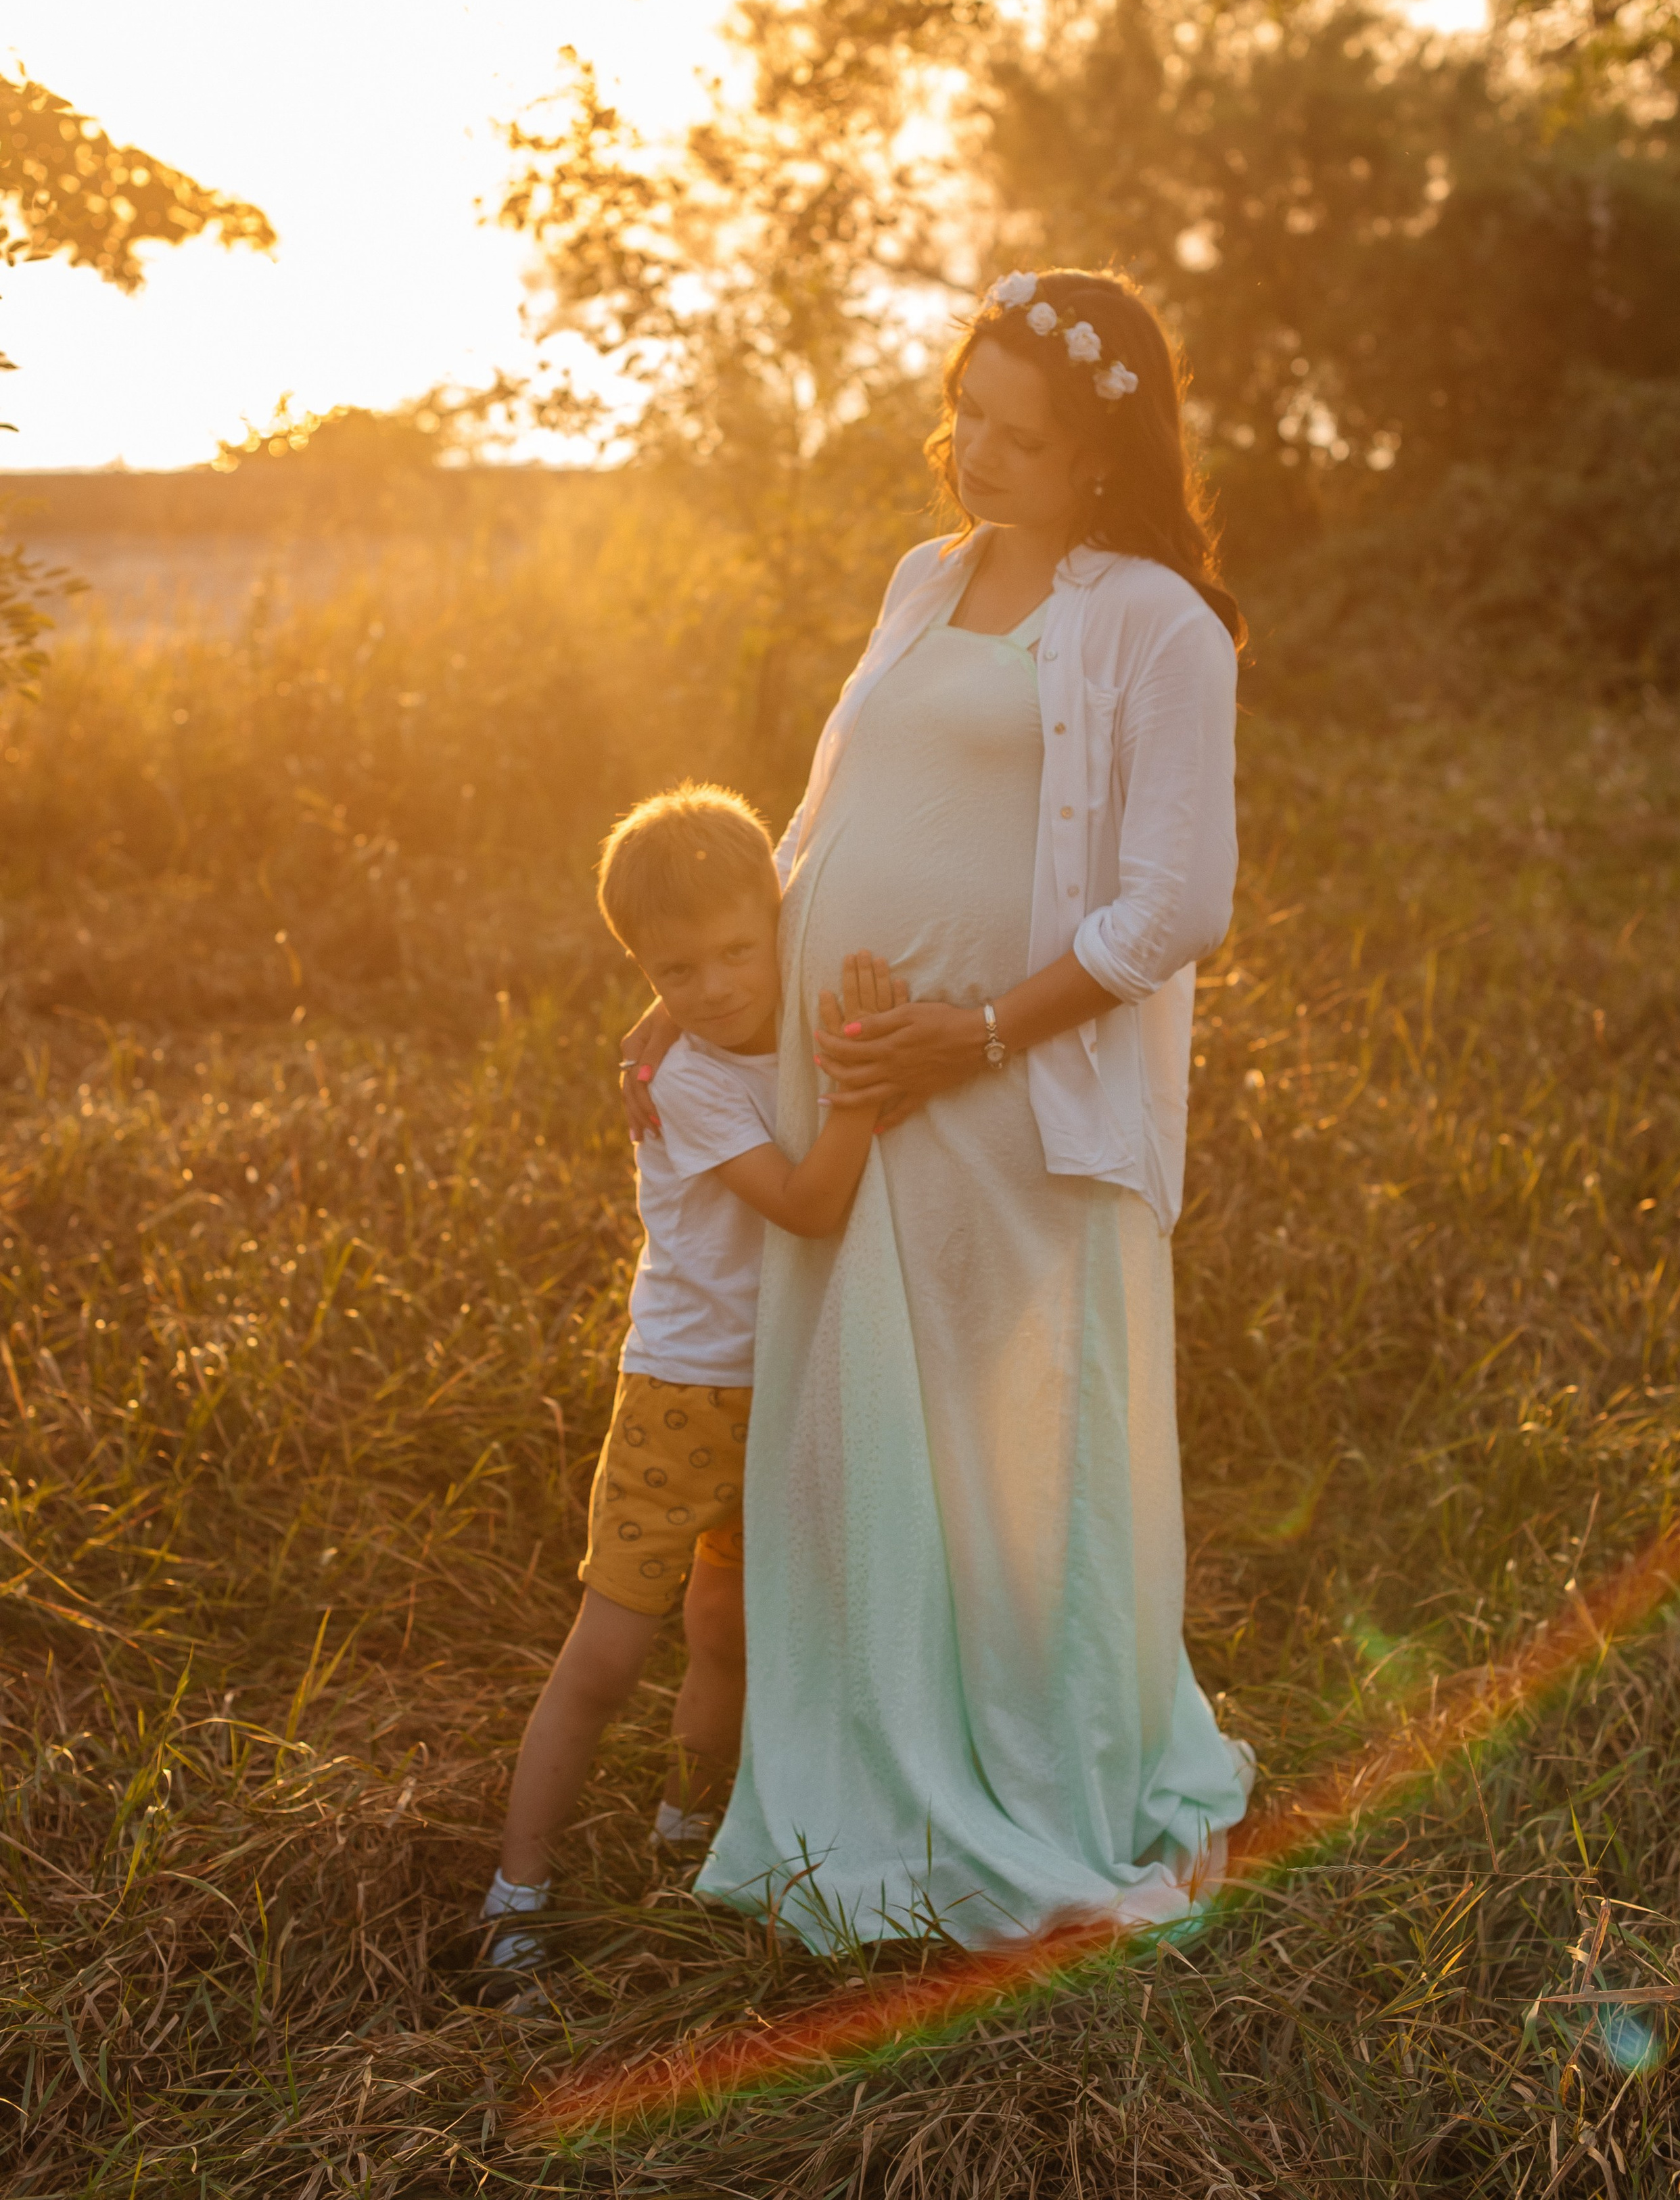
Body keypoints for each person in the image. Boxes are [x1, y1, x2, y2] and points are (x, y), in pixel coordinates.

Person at [626, 268, 1255, 1948]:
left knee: (1006, 1452)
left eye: (1020, 439)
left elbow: (1171, 908)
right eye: (964, 416)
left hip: (1002, 1107)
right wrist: (685, 996)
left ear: (1103, 459)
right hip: (843, 1084)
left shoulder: (1154, 626)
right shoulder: (923, 575)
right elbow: (829, 824)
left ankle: (1018, 1774)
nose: (975, 455)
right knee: (854, 1446)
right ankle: (859, 1770)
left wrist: (967, 1033)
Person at [477, 784, 902, 1986]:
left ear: (781, 919)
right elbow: (812, 1207)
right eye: (676, 973)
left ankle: (688, 1826)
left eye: (735, 951)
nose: (716, 988)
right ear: (644, 975)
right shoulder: (690, 1078)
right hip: (683, 1390)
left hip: (785, 1390)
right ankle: (519, 1887)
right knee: (610, 1649)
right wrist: (866, 1085)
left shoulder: (782, 1005)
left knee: (730, 1634)